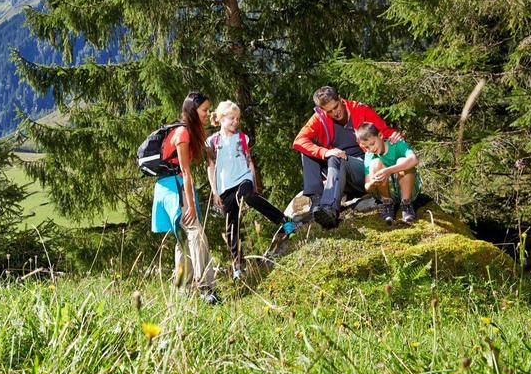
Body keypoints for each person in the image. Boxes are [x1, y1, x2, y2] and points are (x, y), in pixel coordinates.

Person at [206, 100, 295, 279]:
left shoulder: (242, 138)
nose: (235, 122)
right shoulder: (212, 141)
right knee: (232, 224)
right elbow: (210, 166)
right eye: (232, 118)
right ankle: (237, 264)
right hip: (224, 186)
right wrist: (215, 191)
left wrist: (253, 182)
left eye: (238, 119)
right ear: (222, 119)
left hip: (243, 178)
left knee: (248, 196)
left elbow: (249, 161)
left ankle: (284, 220)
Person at [292, 86, 402, 228]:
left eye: (336, 107)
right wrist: (324, 152)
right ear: (322, 110)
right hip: (340, 175)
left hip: (365, 171)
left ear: (341, 99)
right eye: (329, 111)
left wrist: (394, 136)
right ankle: (317, 201)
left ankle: (329, 210)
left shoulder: (360, 110)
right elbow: (299, 141)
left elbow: (384, 131)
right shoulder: (320, 119)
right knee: (309, 151)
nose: (335, 113)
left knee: (336, 157)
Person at [151, 91, 217, 302]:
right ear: (193, 110)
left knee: (183, 241)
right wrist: (189, 205)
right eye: (204, 110)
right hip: (176, 188)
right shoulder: (183, 134)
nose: (207, 114)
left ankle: (182, 291)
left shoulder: (182, 129)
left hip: (167, 188)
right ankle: (206, 287)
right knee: (196, 234)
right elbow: (185, 172)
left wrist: (214, 117)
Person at [356, 122, 421, 224]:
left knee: (402, 161)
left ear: (381, 135)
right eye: (367, 147)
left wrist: (388, 171)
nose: (371, 149)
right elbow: (367, 186)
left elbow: (414, 160)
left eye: (372, 144)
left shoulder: (396, 144)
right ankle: (387, 203)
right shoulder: (369, 155)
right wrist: (372, 183)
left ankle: (406, 204)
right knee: (375, 163)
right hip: (386, 192)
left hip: (407, 188)